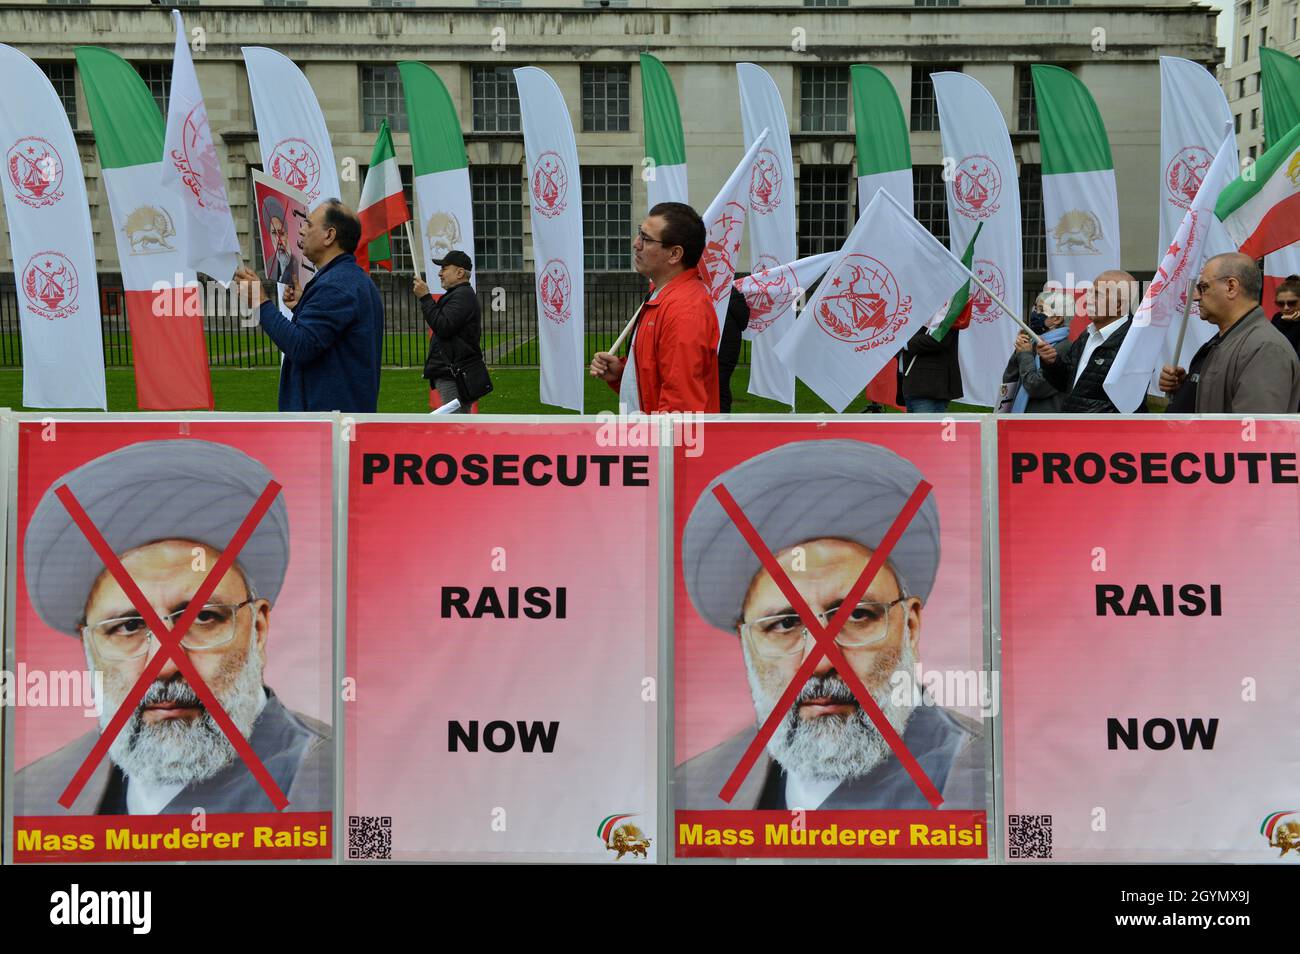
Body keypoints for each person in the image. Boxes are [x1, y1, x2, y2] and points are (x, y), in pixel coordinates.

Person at [15, 440, 331, 816]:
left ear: (258, 630)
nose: (164, 663)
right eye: (129, 626)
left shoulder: (339, 779)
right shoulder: (31, 796)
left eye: (201, 618)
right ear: (89, 646)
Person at [675, 439, 985, 811]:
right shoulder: (694, 789)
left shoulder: (987, 782)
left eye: (856, 616)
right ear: (747, 643)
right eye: (785, 624)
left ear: (911, 626)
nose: (820, 659)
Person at [235, 198, 384, 413]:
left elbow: (301, 346)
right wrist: (300, 307)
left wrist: (261, 303)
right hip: (338, 418)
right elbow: (328, 337)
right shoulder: (349, 279)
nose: (302, 231)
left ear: (329, 235)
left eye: (309, 224)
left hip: (326, 424)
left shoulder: (336, 285)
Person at [589, 202, 720, 413]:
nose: (636, 244)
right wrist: (622, 374)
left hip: (660, 443)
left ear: (674, 254)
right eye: (639, 234)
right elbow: (660, 380)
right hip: (646, 439)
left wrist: (656, 445)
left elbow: (680, 408)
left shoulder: (684, 312)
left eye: (646, 239)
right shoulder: (663, 295)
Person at [1160, 253, 1300, 413]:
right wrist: (1189, 386)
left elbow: (1253, 431)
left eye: (1203, 287)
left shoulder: (1265, 349)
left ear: (1231, 287)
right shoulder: (1230, 338)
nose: (1196, 296)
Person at [1038, 270, 1144, 413]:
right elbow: (1066, 384)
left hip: (1103, 433)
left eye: (1097, 295)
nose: (1087, 300)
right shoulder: (1086, 335)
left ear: (1119, 305)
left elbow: (1128, 403)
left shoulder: (1134, 344)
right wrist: (1051, 363)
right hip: (1075, 430)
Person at [413, 250, 481, 414]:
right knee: (456, 424)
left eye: (444, 269)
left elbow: (443, 326)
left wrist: (425, 298)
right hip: (453, 373)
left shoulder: (462, 296)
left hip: (454, 375)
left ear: (459, 272)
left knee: (455, 427)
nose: (439, 273)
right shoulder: (458, 295)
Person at [999, 293, 1069, 413]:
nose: (1035, 313)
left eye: (1041, 310)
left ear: (1057, 319)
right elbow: (1009, 380)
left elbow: (1036, 387)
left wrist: (1025, 355)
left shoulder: (1064, 347)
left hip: (1043, 423)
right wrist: (1019, 351)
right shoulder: (1034, 341)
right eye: (1035, 308)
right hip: (1020, 420)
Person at [898, 319, 961, 413]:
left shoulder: (947, 310)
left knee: (928, 428)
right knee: (917, 427)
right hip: (911, 386)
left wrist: (904, 343)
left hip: (929, 387)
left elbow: (939, 339)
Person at [717, 288, 750, 413]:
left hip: (725, 348)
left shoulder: (729, 292)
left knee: (720, 386)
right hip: (726, 349)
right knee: (720, 386)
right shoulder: (731, 292)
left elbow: (743, 320)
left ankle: (720, 422)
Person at [262, 196, 298, 287]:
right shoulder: (270, 264)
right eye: (274, 233)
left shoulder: (296, 263)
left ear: (287, 234)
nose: (278, 240)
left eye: (281, 233)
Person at [1269, 274, 1300, 363]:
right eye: (1281, 303)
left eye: (1292, 303)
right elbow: (1270, 346)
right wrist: (1283, 323)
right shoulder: (1278, 318)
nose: (1286, 308)